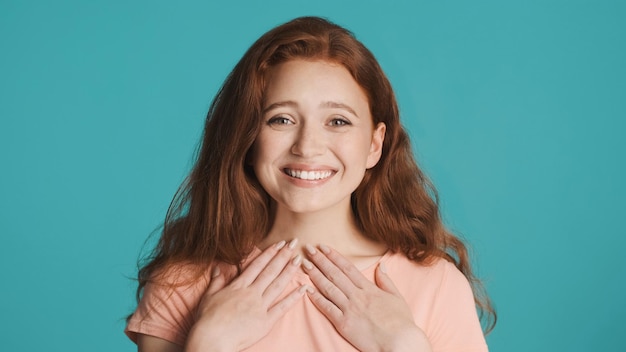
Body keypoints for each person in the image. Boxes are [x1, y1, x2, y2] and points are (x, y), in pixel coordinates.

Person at [125, 16, 496, 352]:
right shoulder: (182, 283)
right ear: (247, 139)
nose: (307, 147)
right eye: (281, 120)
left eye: (337, 121)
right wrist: (209, 343)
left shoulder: (436, 285)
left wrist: (404, 345)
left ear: (374, 144)